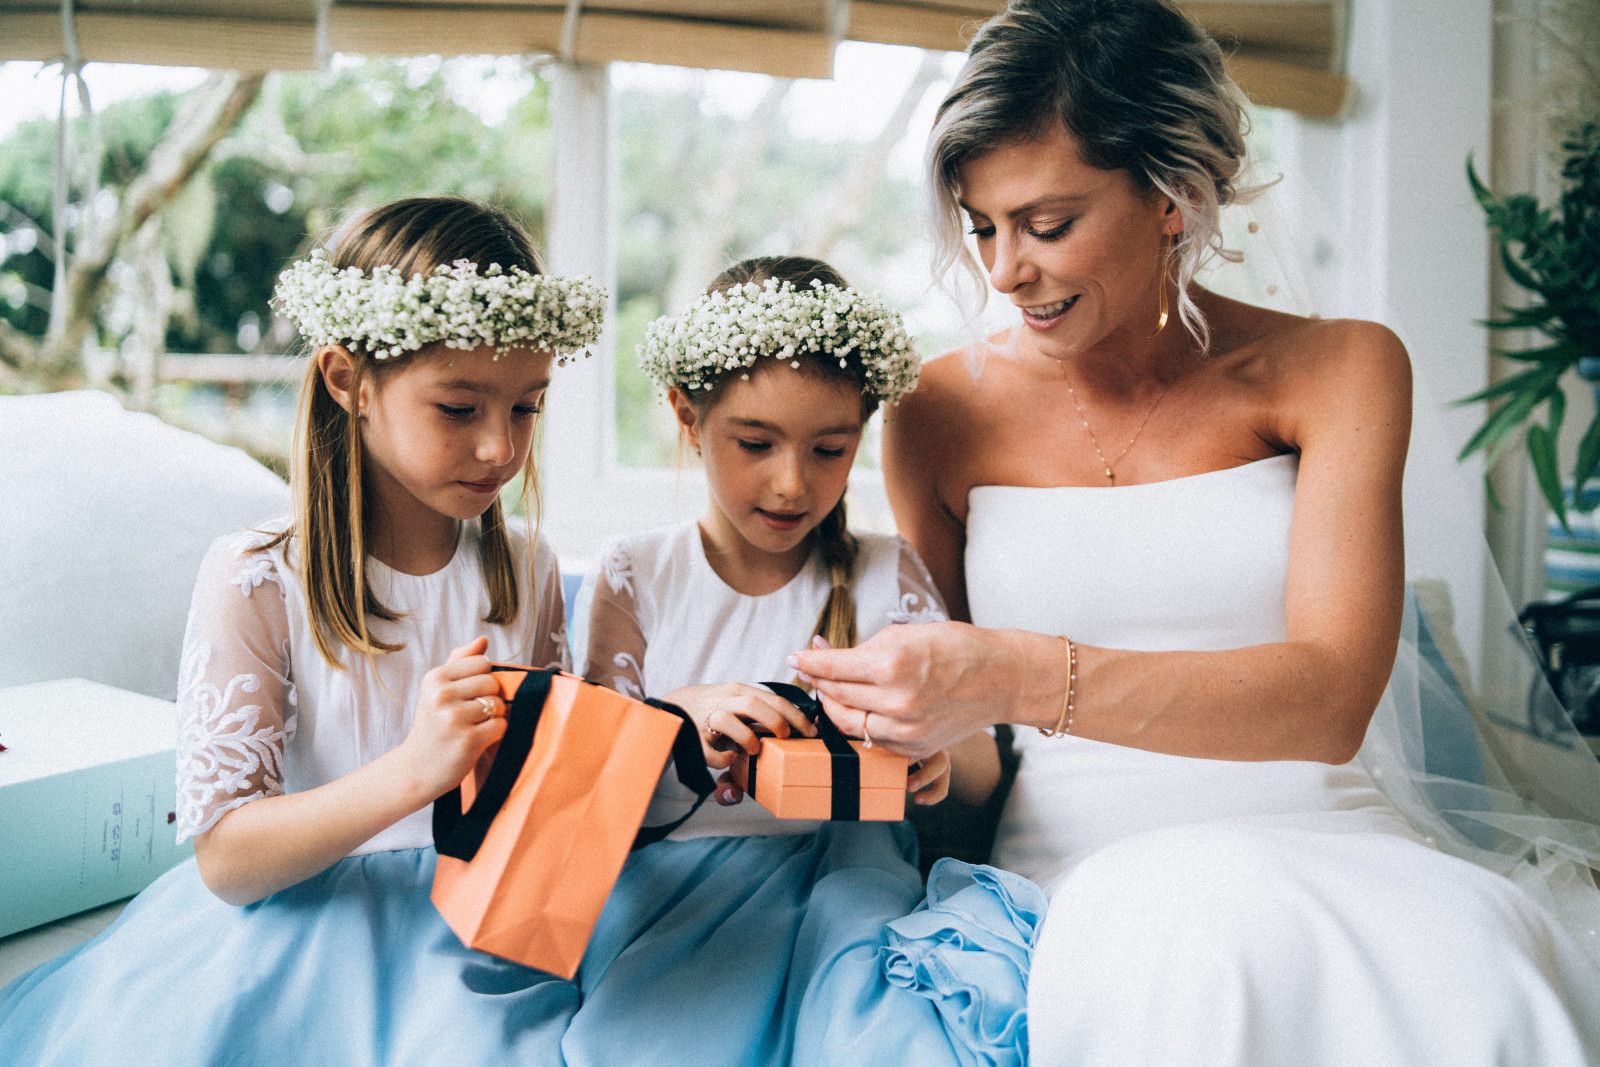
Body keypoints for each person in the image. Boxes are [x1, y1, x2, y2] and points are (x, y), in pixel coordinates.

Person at [791, 3, 1600, 1064]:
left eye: (1046, 224)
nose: (1003, 270)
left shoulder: (1340, 369)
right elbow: (973, 738)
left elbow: (1327, 700)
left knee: (1466, 964)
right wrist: (906, 722)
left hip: (1339, 841)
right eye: (981, 226)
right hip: (1093, 863)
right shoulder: (939, 410)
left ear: (1173, 198)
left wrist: (1013, 670)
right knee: (1200, 951)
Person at [0, 196, 604, 1064]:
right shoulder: (257, 579)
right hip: (298, 929)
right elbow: (229, 858)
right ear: (346, 379)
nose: (499, 451)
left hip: (479, 935)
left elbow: (545, 810)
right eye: (460, 409)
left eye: (525, 409)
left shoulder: (530, 573)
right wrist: (413, 771)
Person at [567, 255, 1040, 1066]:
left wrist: (934, 751)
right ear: (686, 416)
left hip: (851, 883)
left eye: (830, 449)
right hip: (678, 894)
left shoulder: (887, 572)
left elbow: (985, 768)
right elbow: (586, 788)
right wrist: (683, 718)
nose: (792, 484)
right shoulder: (636, 572)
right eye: (755, 443)